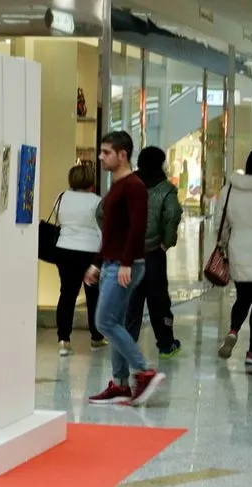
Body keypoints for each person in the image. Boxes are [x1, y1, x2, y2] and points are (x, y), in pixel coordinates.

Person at [85, 131, 166, 406]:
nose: (101, 157)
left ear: (122, 155)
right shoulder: (118, 186)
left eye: (106, 152)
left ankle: (143, 371)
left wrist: (126, 262)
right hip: (113, 262)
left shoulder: (134, 186)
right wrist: (97, 262)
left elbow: (137, 227)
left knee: (104, 322)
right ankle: (120, 383)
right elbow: (111, 231)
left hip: (124, 265)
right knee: (114, 323)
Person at [124, 146, 183, 358]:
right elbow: (173, 213)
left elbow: (102, 211)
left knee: (131, 300)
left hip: (130, 254)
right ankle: (166, 344)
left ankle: (127, 344)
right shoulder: (166, 189)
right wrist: (166, 242)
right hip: (154, 255)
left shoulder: (126, 185)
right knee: (158, 299)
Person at [217, 147, 252, 368]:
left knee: (243, 297)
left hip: (238, 250)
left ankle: (233, 330)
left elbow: (222, 224)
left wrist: (224, 246)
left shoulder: (229, 189)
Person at [55, 163, 106, 356]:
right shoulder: (97, 201)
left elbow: (59, 220)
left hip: (65, 249)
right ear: (91, 181)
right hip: (90, 250)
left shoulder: (61, 197)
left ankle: (63, 340)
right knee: (93, 295)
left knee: (67, 294)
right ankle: (96, 337)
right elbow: (101, 229)